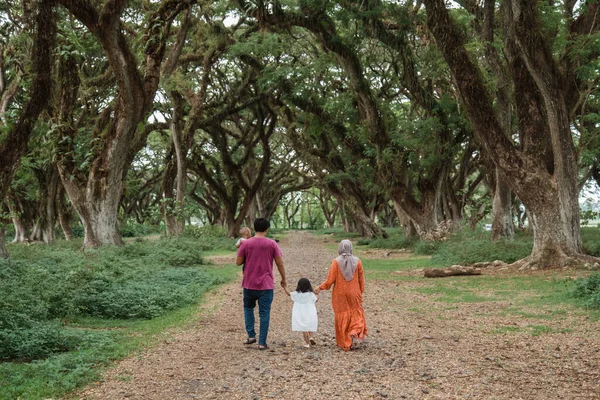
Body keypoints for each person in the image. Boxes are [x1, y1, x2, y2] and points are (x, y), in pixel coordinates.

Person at [236, 218, 287, 350]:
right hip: (266, 285)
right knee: (264, 313)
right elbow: (279, 263)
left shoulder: (246, 244)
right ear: (267, 229)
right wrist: (283, 278)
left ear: (254, 228)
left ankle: (251, 335)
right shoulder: (271, 244)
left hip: (249, 283)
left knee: (248, 308)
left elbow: (238, 262)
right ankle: (262, 343)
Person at [315, 239, 367, 351]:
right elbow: (361, 280)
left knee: (342, 314)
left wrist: (320, 287)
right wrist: (360, 292)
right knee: (356, 314)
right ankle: (354, 332)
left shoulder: (336, 262)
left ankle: (346, 340)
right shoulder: (358, 262)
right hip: (354, 293)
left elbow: (330, 281)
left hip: (340, 295)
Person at [283, 278, 318, 348]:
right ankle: (311, 337)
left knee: (304, 328)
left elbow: (288, 293)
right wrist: (317, 294)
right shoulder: (311, 294)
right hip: (310, 312)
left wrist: (285, 287)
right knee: (310, 326)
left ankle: (307, 343)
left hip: (300, 313)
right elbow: (316, 299)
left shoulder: (296, 294)